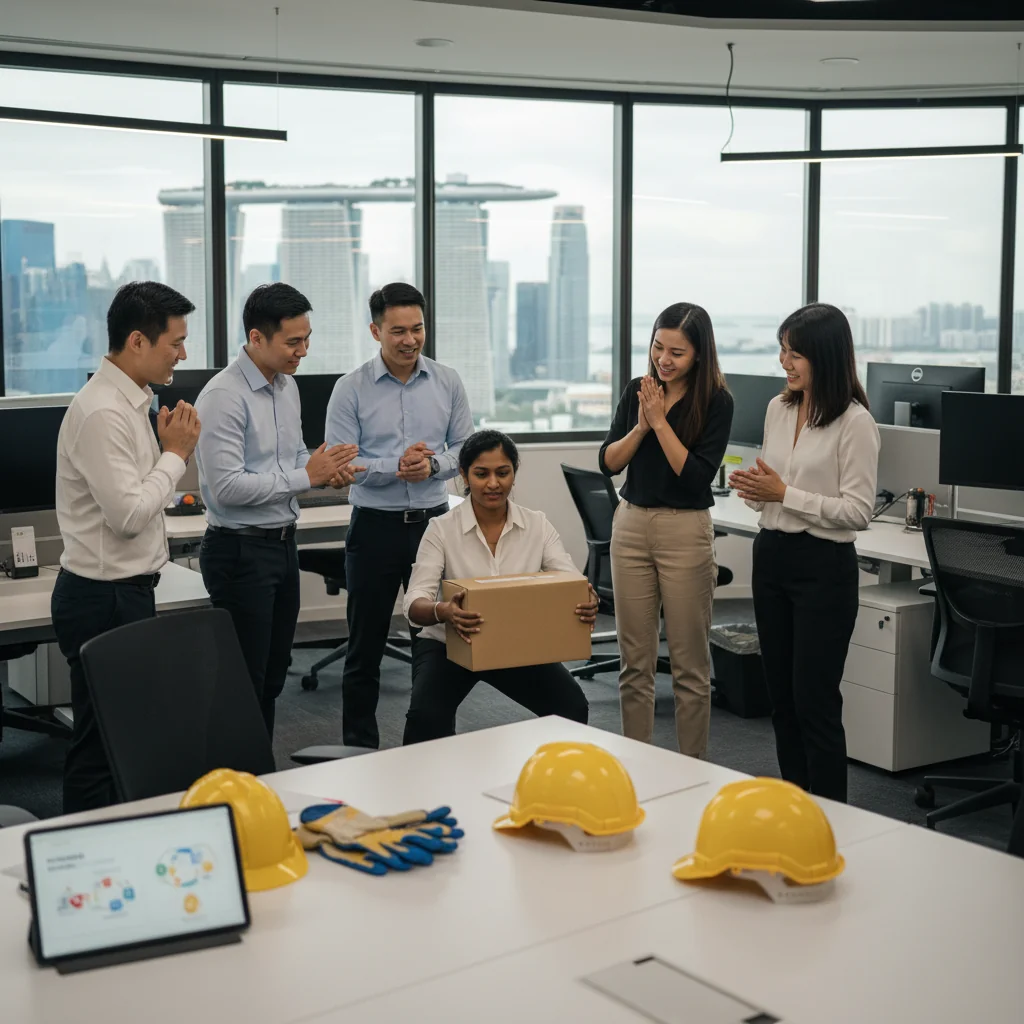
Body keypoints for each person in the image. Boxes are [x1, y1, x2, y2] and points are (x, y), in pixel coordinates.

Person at [53, 282, 201, 813]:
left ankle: (120, 846)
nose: (183, 355)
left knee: (127, 738)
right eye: (175, 343)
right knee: (99, 748)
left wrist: (163, 453)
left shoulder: (128, 402)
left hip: (124, 593)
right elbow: (131, 516)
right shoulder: (103, 413)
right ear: (137, 341)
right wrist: (176, 454)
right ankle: (85, 864)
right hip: (102, 598)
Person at [194, 284, 360, 738]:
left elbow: (287, 460)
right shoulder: (222, 397)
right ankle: (236, 786)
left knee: (270, 677)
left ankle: (257, 778)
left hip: (281, 546)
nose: (303, 351)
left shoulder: (285, 386)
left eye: (307, 339)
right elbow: (227, 488)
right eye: (293, 342)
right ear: (256, 338)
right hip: (240, 552)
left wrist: (325, 470)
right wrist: (308, 476)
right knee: (244, 681)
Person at [729, 302, 879, 803]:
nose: (784, 362)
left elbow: (857, 511)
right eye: (782, 351)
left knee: (814, 702)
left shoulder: (855, 423)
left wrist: (784, 495)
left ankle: (833, 817)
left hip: (823, 569)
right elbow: (776, 487)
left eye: (795, 354)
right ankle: (795, 806)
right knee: (783, 702)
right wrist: (757, 490)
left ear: (826, 356)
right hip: (771, 556)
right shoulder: (779, 408)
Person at [326, 282, 474, 749]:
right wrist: (397, 467)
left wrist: (431, 465)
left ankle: (427, 746)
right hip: (374, 530)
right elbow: (341, 462)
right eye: (398, 331)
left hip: (434, 527)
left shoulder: (448, 380)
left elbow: (465, 447)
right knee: (364, 649)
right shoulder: (349, 389)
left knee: (434, 646)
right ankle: (359, 750)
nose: (410, 340)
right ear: (375, 331)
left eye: (418, 329)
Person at [600, 302, 733, 758]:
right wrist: (641, 427)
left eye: (677, 351)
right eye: (658, 346)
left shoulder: (716, 400)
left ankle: (691, 768)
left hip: (685, 531)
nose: (664, 359)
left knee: (688, 666)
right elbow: (609, 462)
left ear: (700, 354)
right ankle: (638, 765)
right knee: (633, 663)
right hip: (631, 524)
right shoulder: (639, 389)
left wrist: (660, 423)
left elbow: (694, 475)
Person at [402, 430, 594, 743]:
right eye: (481, 474)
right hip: (449, 644)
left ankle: (555, 782)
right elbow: (413, 603)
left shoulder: (537, 524)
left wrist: (585, 596)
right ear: (464, 474)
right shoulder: (441, 529)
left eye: (503, 473)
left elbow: (569, 581)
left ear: (514, 474)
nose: (493, 483)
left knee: (571, 706)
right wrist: (444, 611)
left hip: (516, 642)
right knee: (425, 718)